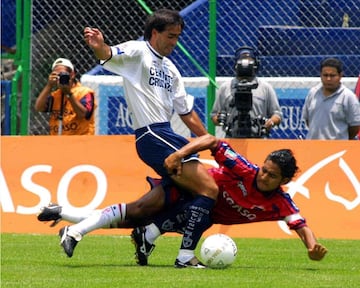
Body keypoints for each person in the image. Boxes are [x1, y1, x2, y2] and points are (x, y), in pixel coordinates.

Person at [38, 134, 328, 267]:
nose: (263, 176)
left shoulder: (280, 203)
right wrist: (180, 155)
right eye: (264, 169)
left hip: (196, 212)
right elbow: (213, 141)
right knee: (138, 211)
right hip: (187, 190)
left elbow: (301, 224)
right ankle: (181, 255)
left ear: (284, 181)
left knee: (130, 217)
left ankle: (63, 214)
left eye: (271, 175)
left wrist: (312, 246)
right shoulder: (244, 169)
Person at [82, 9, 218, 267]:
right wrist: (99, 47)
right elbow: (108, 54)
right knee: (208, 189)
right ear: (154, 33)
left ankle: (148, 232)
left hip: (167, 132)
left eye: (178, 37)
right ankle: (184, 256)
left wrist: (212, 141)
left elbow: (186, 113)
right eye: (170, 36)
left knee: (186, 197)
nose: (174, 42)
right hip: (151, 133)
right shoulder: (137, 52)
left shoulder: (172, 69)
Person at [211, 46, 282, 138]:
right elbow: (214, 116)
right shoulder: (225, 88)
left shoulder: (265, 87)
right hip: (232, 137)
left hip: (258, 137)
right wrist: (220, 119)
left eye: (249, 59)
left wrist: (270, 122)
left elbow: (277, 114)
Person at [301, 58, 360, 140]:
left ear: (340, 76)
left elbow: (355, 127)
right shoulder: (313, 93)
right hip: (312, 146)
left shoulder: (348, 97)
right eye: (325, 75)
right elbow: (308, 120)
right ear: (320, 75)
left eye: (332, 76)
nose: (328, 79)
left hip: (337, 148)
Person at [34, 58, 96, 135]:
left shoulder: (84, 92)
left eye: (63, 74)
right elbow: (39, 107)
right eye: (57, 74)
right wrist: (49, 86)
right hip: (58, 141)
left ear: (72, 74)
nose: (60, 77)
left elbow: (82, 114)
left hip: (80, 141)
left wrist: (68, 94)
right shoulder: (56, 95)